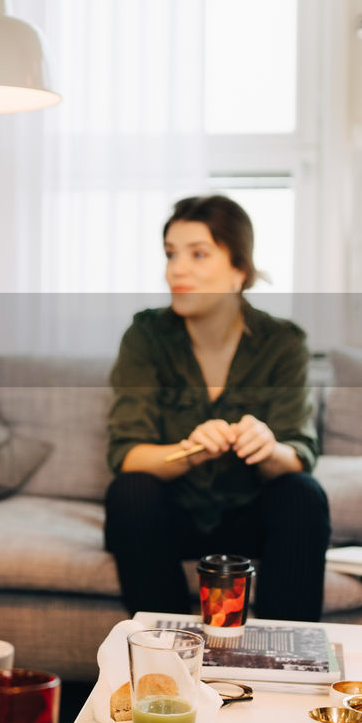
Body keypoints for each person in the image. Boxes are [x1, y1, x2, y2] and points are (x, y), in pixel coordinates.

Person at [104, 195, 330, 621]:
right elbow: (126, 455)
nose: (176, 269)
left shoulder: (282, 342)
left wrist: (268, 447)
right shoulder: (146, 335)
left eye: (198, 254)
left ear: (238, 269)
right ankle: (166, 654)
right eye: (171, 254)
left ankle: (288, 660)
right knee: (129, 491)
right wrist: (190, 449)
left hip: (250, 517)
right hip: (173, 517)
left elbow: (299, 455)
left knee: (303, 494)